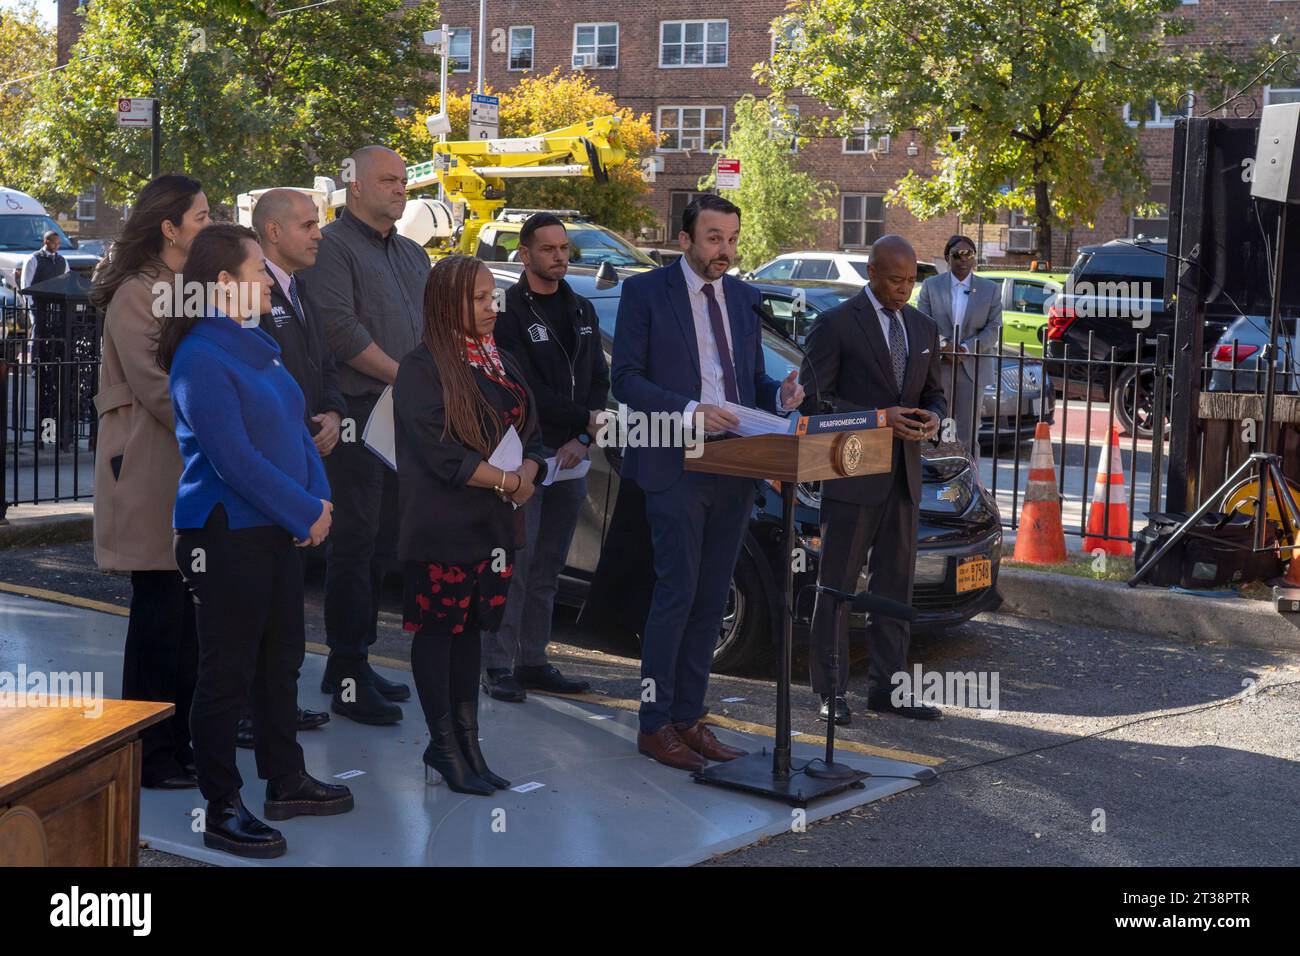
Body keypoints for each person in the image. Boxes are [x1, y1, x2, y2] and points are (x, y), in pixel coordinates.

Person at [159, 223, 352, 859]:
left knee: (281, 661)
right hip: (224, 534)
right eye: (258, 270)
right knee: (228, 675)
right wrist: (304, 511)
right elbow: (233, 459)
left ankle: (285, 780)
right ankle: (222, 806)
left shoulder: (257, 344)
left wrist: (317, 501)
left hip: (274, 527)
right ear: (224, 285)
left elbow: (295, 430)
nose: (270, 279)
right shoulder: (199, 357)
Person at [611, 194, 804, 771]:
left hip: (734, 467)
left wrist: (779, 395)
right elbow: (625, 379)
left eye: (733, 239)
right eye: (715, 238)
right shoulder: (645, 293)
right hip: (676, 463)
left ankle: (689, 719)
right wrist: (689, 408)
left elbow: (745, 382)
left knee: (710, 596)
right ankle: (654, 724)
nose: (726, 251)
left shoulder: (744, 297)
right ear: (685, 239)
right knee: (676, 592)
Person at [393, 255, 548, 794]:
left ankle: (467, 743)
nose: (491, 307)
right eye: (478, 299)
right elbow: (442, 454)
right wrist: (510, 483)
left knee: (471, 638)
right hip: (443, 528)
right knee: (439, 635)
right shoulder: (422, 367)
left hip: (494, 527)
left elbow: (534, 434)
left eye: (492, 297)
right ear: (446, 303)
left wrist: (529, 470)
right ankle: (442, 743)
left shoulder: (500, 360)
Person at [299, 145, 430, 724]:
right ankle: (347, 671)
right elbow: (339, 330)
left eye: (404, 180)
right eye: (389, 180)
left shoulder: (411, 254)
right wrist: (408, 376)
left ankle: (353, 662)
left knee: (383, 545)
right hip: (355, 416)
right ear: (355, 186)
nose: (402, 189)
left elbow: (430, 330)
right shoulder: (331, 249)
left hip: (402, 421)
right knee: (354, 544)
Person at [90, 174, 209, 790]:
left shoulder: (187, 287)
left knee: (183, 618)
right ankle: (148, 751)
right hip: (148, 462)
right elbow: (156, 383)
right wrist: (221, 426)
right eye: (201, 215)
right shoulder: (141, 292)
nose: (209, 224)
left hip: (181, 464)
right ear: (169, 226)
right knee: (159, 613)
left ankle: (177, 742)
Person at [800, 234, 947, 726]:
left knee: (895, 587)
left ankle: (891, 688)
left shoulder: (924, 327)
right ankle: (831, 692)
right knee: (837, 586)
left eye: (910, 280)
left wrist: (934, 418)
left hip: (903, 477)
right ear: (871, 272)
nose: (904, 289)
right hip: (852, 471)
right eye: (894, 280)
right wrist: (878, 417)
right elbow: (814, 404)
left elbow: (934, 394)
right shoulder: (836, 325)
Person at [479, 213, 606, 702]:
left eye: (564, 248)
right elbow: (522, 387)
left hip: (572, 456)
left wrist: (583, 437)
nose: (559, 257)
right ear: (525, 253)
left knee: (550, 565)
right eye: (548, 249)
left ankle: (533, 659)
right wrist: (581, 420)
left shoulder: (581, 309)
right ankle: (498, 663)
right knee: (516, 561)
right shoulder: (507, 311)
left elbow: (599, 378)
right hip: (525, 453)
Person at [236, 187, 345, 746]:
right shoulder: (248, 302)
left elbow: (324, 366)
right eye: (307, 224)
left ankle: (279, 700)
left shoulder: (303, 290)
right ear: (273, 232)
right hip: (272, 467)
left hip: (305, 456)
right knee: (260, 600)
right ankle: (253, 711)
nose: (318, 234)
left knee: (289, 597)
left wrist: (330, 412)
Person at [915, 235, 1002, 459]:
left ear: (974, 258)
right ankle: (934, 480)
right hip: (938, 368)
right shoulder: (931, 285)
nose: (963, 259)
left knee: (967, 433)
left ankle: (969, 482)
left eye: (969, 254)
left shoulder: (990, 289)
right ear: (947, 257)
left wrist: (966, 348)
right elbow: (922, 321)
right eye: (957, 254)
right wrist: (944, 345)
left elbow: (994, 328)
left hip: (972, 369)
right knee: (936, 428)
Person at [22, 230, 70, 450]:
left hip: (57, 314)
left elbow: (67, 284)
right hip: (40, 310)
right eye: (54, 242)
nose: (57, 246)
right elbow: (27, 287)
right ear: (46, 242)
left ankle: (55, 436)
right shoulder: (34, 259)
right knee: (39, 342)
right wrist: (32, 310)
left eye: (59, 243)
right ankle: (36, 364)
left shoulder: (62, 262)